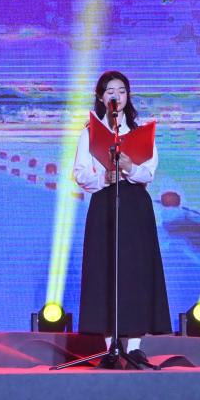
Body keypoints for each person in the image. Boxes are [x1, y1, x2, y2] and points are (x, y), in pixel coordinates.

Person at [73, 70, 170, 368]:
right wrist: (103, 178)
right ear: (101, 97)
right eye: (110, 91)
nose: (116, 96)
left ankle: (136, 347)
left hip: (135, 205)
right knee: (105, 269)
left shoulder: (141, 132)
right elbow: (79, 173)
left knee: (136, 271)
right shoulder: (90, 133)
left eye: (122, 91)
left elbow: (148, 173)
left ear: (128, 96)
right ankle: (110, 347)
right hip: (104, 203)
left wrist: (129, 167)